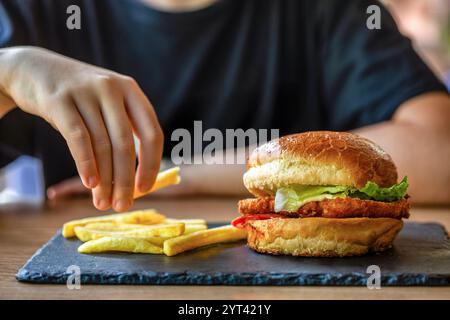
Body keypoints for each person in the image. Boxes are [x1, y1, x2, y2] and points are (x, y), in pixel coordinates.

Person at [0, 0, 449, 212]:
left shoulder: (328, 11)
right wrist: (8, 74)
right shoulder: (33, 12)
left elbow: (439, 150)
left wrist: (184, 176)